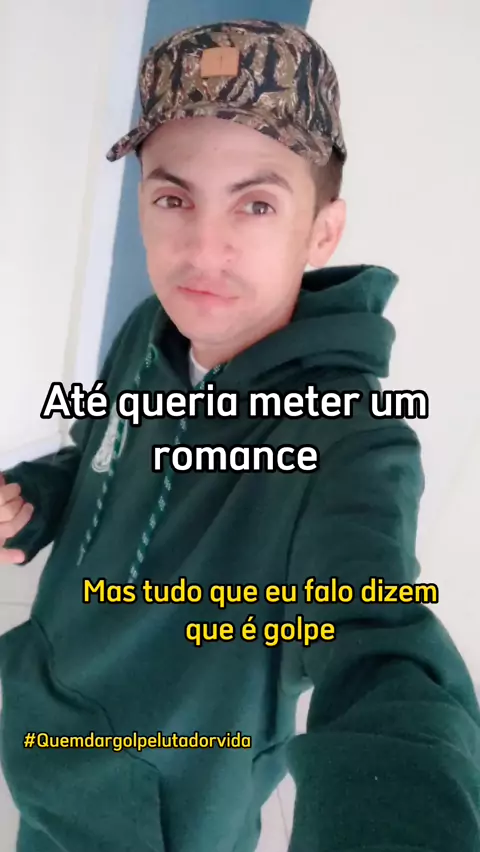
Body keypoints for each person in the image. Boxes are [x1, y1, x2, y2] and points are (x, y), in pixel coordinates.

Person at [0, 18, 479, 852]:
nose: (203, 248)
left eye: (256, 204)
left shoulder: (349, 441)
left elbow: (380, 650)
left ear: (322, 231)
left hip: (164, 817)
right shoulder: (151, 331)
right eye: (173, 198)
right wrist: (37, 498)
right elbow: (97, 453)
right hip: (44, 740)